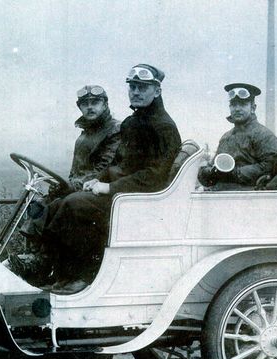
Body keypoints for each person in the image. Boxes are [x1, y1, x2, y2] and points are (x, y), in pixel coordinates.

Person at [42, 64, 181, 293]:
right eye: (133, 87)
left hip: (141, 201)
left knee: (74, 205)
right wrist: (95, 181)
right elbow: (119, 163)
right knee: (58, 205)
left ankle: (84, 277)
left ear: (157, 91)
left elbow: (155, 177)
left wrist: (109, 187)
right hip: (124, 194)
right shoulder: (133, 122)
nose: (135, 92)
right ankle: (63, 275)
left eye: (143, 87)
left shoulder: (163, 126)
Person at [17, 85, 121, 241]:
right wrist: (65, 185)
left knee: (58, 208)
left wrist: (73, 186)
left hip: (100, 191)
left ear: (105, 105)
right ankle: (36, 255)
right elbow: (76, 170)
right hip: (82, 188)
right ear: (80, 108)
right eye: (85, 104)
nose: (90, 107)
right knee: (39, 205)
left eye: (95, 102)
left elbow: (104, 168)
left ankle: (45, 258)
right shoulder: (84, 135)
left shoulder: (114, 130)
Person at [197, 83, 277, 190]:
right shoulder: (226, 138)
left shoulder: (264, 135)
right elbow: (214, 165)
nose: (237, 109)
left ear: (253, 108)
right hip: (220, 197)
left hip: (248, 198)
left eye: (242, 104)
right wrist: (208, 172)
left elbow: (271, 166)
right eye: (234, 104)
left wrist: (235, 173)